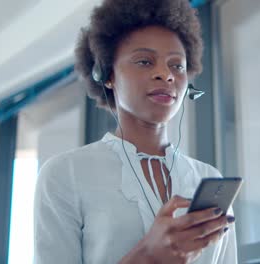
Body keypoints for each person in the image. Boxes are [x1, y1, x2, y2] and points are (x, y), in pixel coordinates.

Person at [33, 0, 237, 263]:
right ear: (107, 74)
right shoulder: (64, 174)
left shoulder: (208, 178)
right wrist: (147, 255)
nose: (166, 75)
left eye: (177, 65)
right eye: (144, 61)